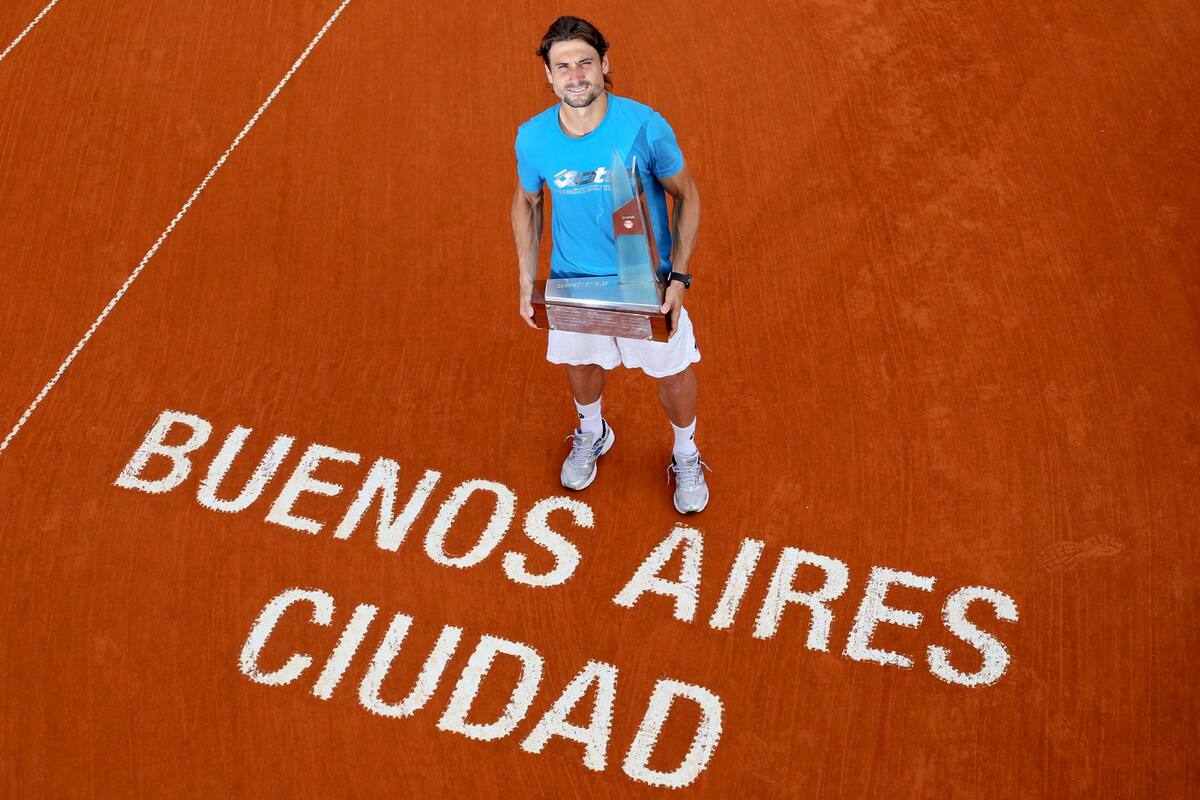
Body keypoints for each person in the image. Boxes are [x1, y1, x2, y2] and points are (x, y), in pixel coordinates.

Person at [510, 15, 709, 514]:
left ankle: (686, 453)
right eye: (563, 66)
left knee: (673, 371)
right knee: (580, 363)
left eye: (585, 62)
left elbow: (687, 196)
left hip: (646, 283)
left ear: (604, 66)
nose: (575, 75)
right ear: (549, 77)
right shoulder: (533, 138)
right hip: (574, 280)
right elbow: (526, 201)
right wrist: (522, 278)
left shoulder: (644, 125)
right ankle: (592, 431)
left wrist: (680, 277)